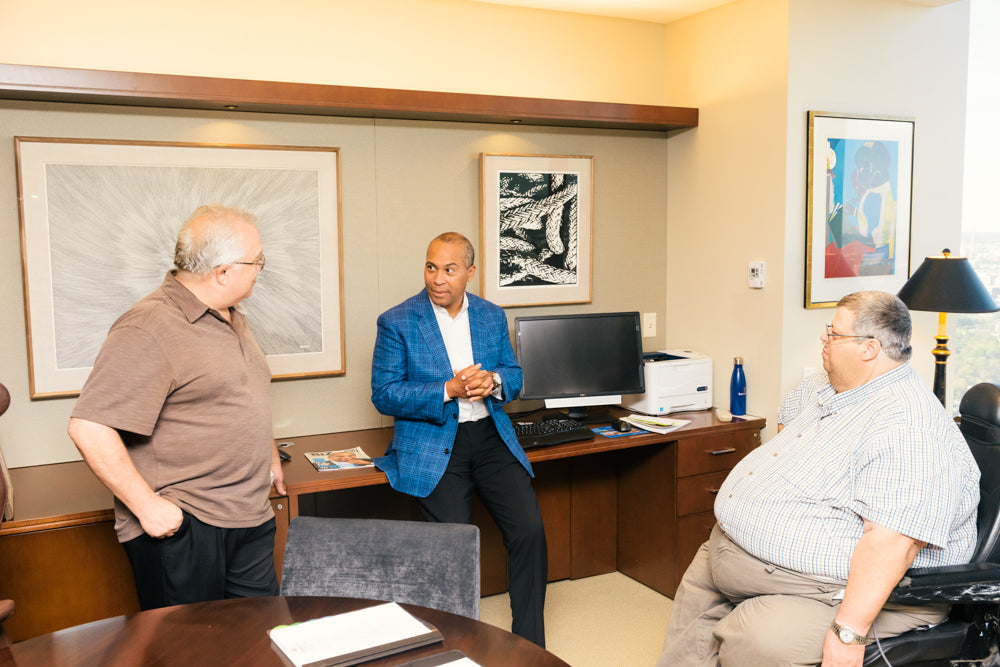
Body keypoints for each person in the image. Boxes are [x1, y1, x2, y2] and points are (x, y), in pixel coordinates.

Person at [656, 291, 980, 667]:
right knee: (691, 620)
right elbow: (786, 429)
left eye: (834, 334)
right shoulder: (826, 386)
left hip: (849, 589)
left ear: (869, 349)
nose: (823, 340)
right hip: (739, 556)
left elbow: (893, 544)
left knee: (758, 637)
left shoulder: (909, 428)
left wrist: (849, 633)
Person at [68, 204, 285, 610]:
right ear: (223, 271)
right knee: (189, 651)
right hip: (186, 524)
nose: (261, 268)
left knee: (258, 642)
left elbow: (234, 393)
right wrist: (148, 508)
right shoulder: (147, 326)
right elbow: (89, 427)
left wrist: (266, 450)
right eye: (258, 261)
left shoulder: (232, 315)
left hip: (249, 516)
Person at [371, 232, 547, 646]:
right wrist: (448, 389)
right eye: (431, 267)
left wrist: (495, 381)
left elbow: (516, 376)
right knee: (452, 550)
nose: (437, 278)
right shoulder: (397, 321)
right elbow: (384, 393)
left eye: (449, 269)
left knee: (530, 532)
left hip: (490, 438)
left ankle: (530, 646)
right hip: (435, 443)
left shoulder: (489, 315)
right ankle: (453, 648)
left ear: (469, 272)